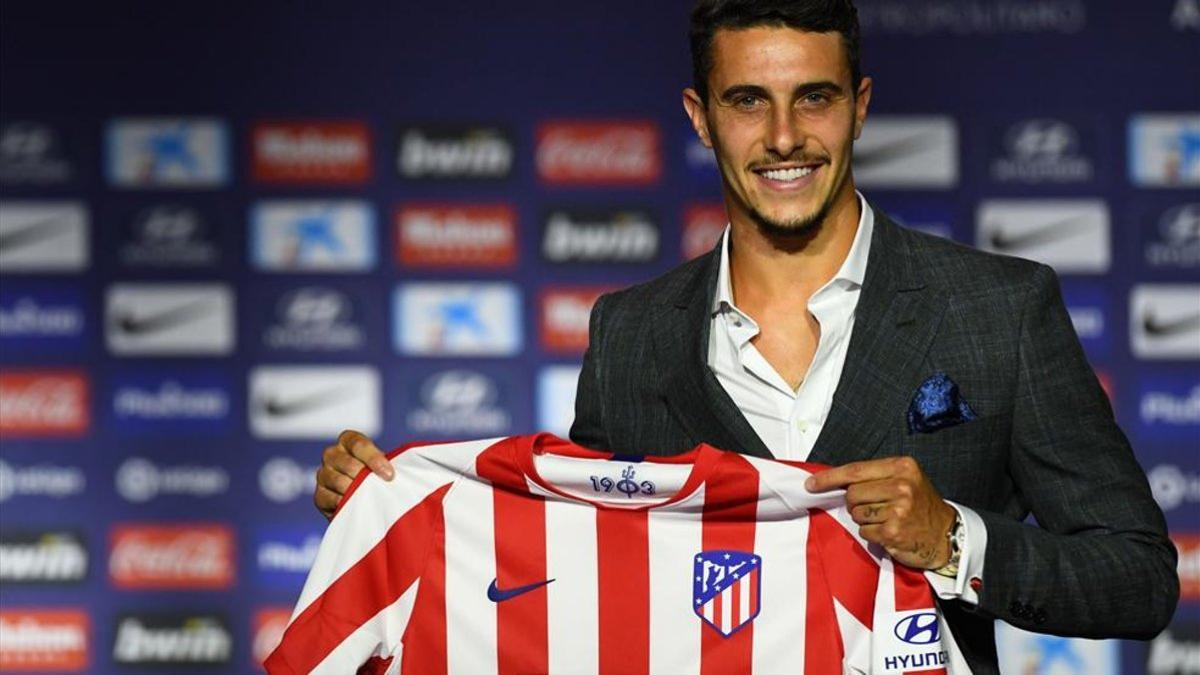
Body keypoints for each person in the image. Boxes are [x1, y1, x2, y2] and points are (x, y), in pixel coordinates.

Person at [313, 1, 1178, 671]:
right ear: (700, 116)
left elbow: (1138, 579)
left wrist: (954, 539)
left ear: (860, 106)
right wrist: (391, 499)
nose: (784, 137)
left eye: (815, 98)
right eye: (747, 101)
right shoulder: (632, 333)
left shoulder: (1000, 308)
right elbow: (576, 572)